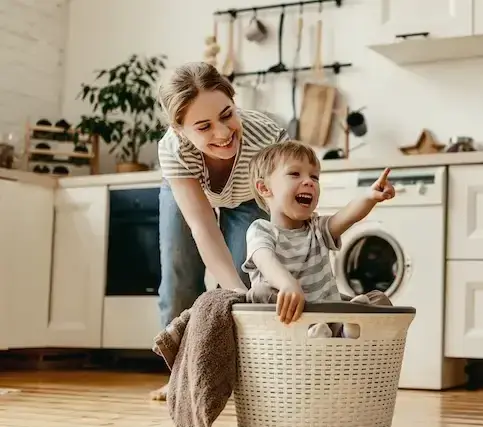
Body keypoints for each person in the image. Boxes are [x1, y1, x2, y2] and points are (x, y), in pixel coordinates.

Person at [151, 61, 289, 400]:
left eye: (227, 115)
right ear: (181, 130)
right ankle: (180, 377)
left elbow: (284, 211)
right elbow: (201, 227)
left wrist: (244, 290)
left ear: (233, 100)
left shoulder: (268, 136)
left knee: (248, 278)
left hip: (247, 197)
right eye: (204, 126)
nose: (223, 133)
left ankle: (243, 379)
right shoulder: (174, 149)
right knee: (179, 274)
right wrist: (232, 290)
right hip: (189, 191)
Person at [242, 140, 396, 337]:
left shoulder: (317, 228)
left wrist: (369, 197)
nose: (309, 182)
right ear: (265, 188)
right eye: (295, 174)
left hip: (330, 317)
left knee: (378, 300)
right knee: (259, 294)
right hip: (288, 322)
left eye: (314, 177)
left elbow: (347, 216)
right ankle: (326, 332)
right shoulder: (261, 230)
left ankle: (347, 329)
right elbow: (265, 261)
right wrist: (287, 284)